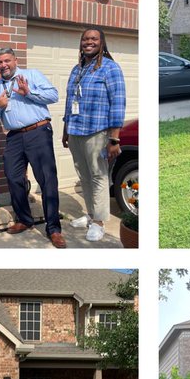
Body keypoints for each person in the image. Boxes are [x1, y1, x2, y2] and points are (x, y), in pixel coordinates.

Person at [0, 47, 65, 247]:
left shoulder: (31, 75)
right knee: (13, 176)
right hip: (13, 137)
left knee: (47, 180)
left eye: (7, 61)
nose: (3, 65)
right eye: (0, 62)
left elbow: (53, 95)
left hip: (38, 132)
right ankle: (24, 219)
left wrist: (29, 92)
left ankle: (53, 228)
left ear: (15, 60)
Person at [62, 27, 126, 242]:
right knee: (84, 176)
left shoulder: (110, 68)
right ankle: (90, 215)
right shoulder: (77, 69)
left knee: (98, 176)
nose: (89, 42)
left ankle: (98, 222)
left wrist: (114, 138)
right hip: (75, 131)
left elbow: (118, 104)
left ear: (102, 43)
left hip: (97, 131)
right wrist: (65, 130)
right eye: (85, 39)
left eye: (93, 39)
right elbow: (70, 101)